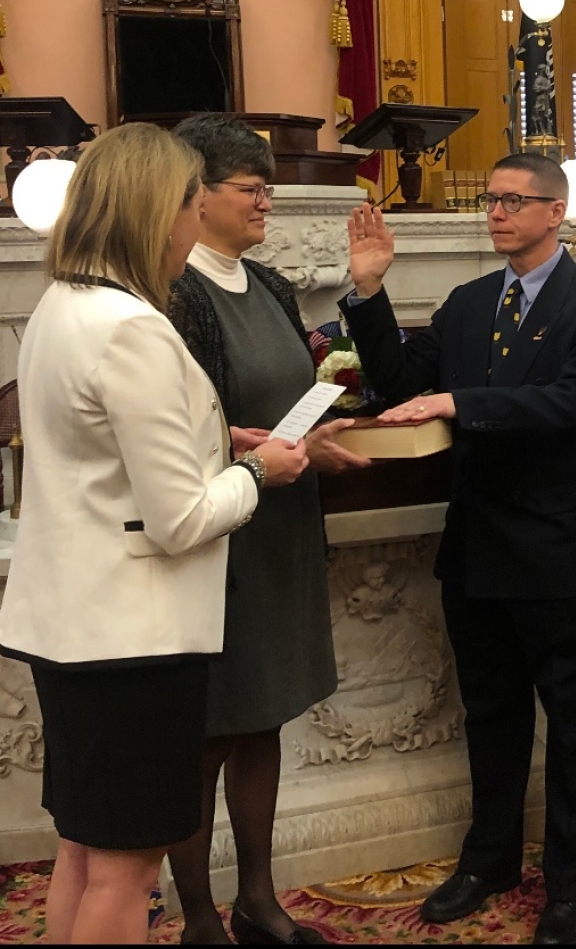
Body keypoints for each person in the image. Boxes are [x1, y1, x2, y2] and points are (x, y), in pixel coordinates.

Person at [0, 124, 308, 945]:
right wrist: (258, 473)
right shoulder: (135, 325)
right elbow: (179, 521)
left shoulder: (62, 304)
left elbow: (100, 460)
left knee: (82, 851)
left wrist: (218, 444)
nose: (191, 222)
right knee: (128, 871)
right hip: (131, 640)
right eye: (186, 205)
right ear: (155, 213)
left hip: (69, 622)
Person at [339, 154, 576, 947]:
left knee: (574, 724)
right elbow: (400, 384)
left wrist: (462, 401)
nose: (496, 212)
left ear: (557, 211)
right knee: (491, 716)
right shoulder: (469, 303)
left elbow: (573, 402)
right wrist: (370, 291)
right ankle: (490, 858)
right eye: (490, 198)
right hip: (476, 546)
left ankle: (573, 886)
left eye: (512, 200)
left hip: (554, 548)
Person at [163, 116, 370, 946]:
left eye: (267, 187)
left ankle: (258, 900)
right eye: (250, 188)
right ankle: (200, 917)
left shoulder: (272, 284)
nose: (265, 202)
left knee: (265, 720)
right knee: (208, 734)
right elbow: (184, 431)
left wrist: (319, 429)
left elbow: (293, 391)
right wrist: (273, 454)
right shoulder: (177, 291)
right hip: (221, 540)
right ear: (196, 195)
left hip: (283, 528)